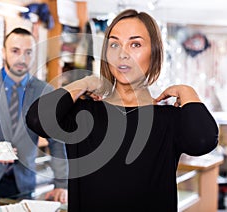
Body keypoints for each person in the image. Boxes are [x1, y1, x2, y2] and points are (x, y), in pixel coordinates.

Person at [26, 9, 218, 211]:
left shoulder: (169, 119)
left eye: (135, 44)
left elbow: (203, 140)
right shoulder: (84, 112)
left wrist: (187, 92)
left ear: (154, 53)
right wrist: (83, 83)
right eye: (114, 44)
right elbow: (36, 120)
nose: (123, 54)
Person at [0, 28, 68, 210]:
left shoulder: (44, 92)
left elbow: (56, 142)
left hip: (24, 184)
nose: (22, 59)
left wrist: (61, 184)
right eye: (15, 51)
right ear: (3, 52)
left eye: (28, 52)